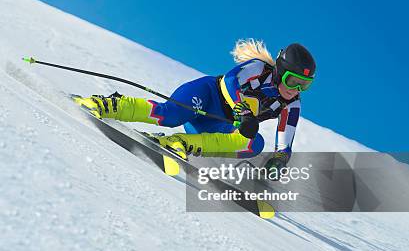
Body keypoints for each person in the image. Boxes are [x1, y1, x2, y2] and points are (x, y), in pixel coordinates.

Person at [75, 39, 316, 167]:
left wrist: (279, 159)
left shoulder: (291, 104)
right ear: (280, 71)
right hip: (207, 95)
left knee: (255, 144)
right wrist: (242, 112)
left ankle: (179, 143)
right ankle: (108, 105)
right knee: (170, 115)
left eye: (304, 85)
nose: (295, 89)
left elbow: (285, 140)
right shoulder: (259, 69)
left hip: (217, 126)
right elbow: (231, 81)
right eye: (293, 81)